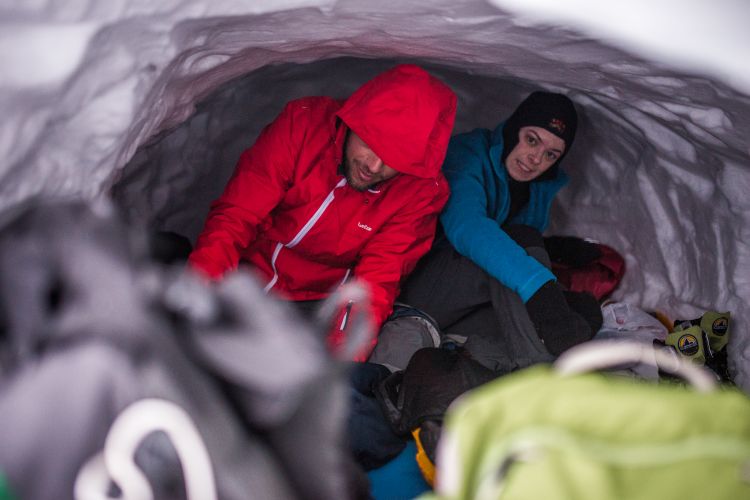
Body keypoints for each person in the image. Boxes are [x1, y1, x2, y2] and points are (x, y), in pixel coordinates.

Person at [187, 64, 457, 356]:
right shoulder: (303, 127)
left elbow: (375, 281)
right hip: (248, 278)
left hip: (320, 305)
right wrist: (199, 297)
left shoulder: (418, 191)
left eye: (396, 160)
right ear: (353, 122)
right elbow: (236, 217)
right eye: (370, 144)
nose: (374, 166)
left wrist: (344, 359)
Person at [370, 91, 601, 372]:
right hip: (422, 293)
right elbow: (467, 226)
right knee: (524, 246)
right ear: (515, 129)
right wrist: (541, 290)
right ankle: (541, 370)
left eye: (550, 154)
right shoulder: (468, 155)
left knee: (580, 310)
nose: (536, 158)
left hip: (465, 307)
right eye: (532, 140)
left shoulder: (537, 187)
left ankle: (482, 364)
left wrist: (555, 250)